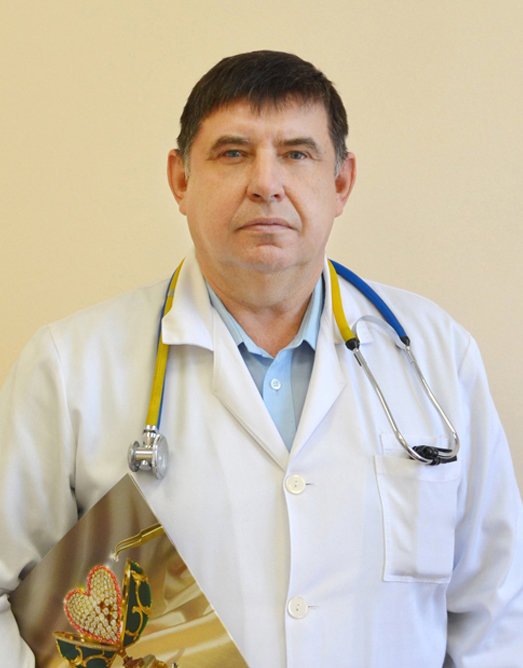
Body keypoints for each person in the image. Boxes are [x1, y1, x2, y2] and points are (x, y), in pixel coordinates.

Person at [1, 50, 522, 667]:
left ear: (341, 183)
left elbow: (496, 614)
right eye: (233, 152)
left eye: (297, 153)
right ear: (180, 179)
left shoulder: (436, 354)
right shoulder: (71, 368)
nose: (266, 183)